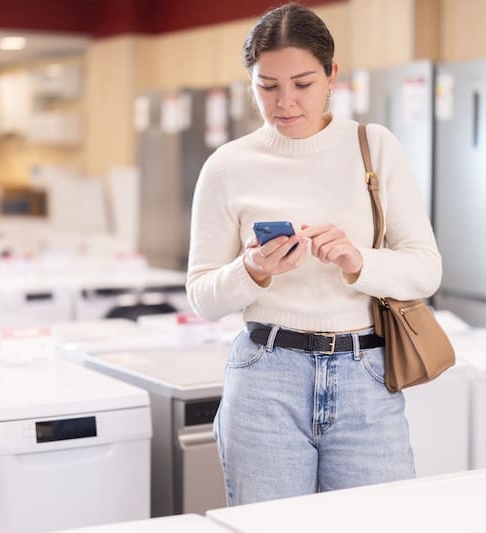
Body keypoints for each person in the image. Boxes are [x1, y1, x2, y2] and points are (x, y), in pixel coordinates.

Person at [185, 3, 442, 506]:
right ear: (251, 82)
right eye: (267, 86)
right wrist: (252, 270)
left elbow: (425, 269)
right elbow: (202, 297)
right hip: (265, 376)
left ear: (331, 77)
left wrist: (358, 261)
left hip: (366, 373)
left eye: (302, 84)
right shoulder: (227, 166)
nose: (285, 102)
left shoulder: (374, 147)